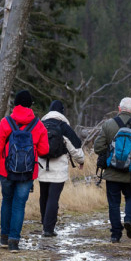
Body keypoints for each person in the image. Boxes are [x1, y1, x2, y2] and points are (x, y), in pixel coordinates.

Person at [0, 90, 49, 252]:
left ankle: (4, 239)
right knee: (19, 205)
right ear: (30, 105)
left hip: (6, 170)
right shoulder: (38, 125)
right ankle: (14, 242)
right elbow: (44, 150)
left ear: (15, 105)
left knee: (7, 201)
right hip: (27, 172)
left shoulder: (6, 123)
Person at [94, 97, 131, 243]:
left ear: (119, 108)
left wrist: (110, 151)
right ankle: (129, 220)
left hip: (112, 174)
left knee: (113, 203)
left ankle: (115, 235)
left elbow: (97, 147)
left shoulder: (108, 125)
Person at [38, 100, 85, 237]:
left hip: (41, 166)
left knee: (44, 196)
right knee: (53, 198)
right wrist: (81, 161)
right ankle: (48, 229)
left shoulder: (40, 125)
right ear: (62, 112)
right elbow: (74, 147)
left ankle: (44, 223)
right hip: (58, 168)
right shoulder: (64, 126)